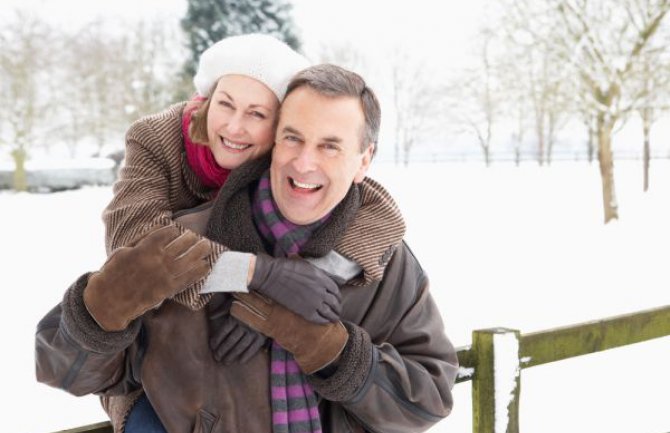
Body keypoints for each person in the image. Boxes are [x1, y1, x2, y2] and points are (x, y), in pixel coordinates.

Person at [36, 64, 459, 433]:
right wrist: (102, 308)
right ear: (274, 142)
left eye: (329, 146)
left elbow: (429, 397)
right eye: (293, 138)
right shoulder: (184, 244)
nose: (305, 162)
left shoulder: (385, 262)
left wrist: (331, 350)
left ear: (364, 160)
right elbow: (61, 369)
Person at [92, 33, 346, 432]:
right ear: (208, 98)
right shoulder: (157, 140)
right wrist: (256, 275)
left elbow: (372, 212)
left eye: (257, 114)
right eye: (225, 104)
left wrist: (267, 310)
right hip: (158, 355)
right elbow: (133, 241)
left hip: (250, 370)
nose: (234, 126)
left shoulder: (289, 157)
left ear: (282, 126)